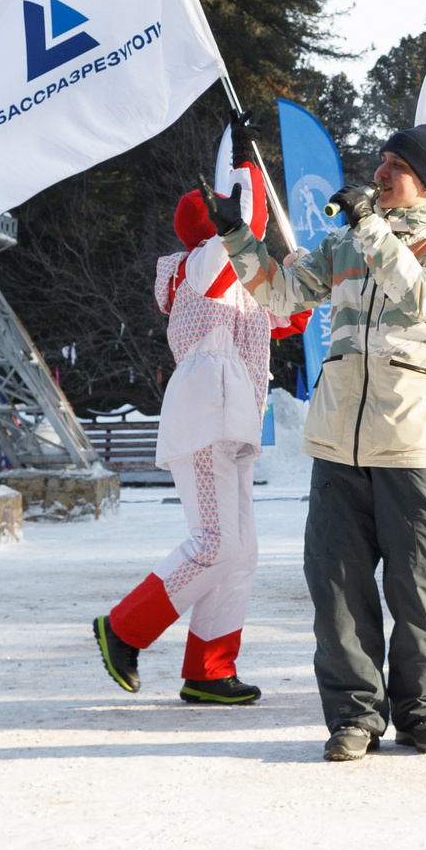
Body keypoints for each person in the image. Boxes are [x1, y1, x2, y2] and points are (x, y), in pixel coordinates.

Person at [221, 122, 426, 762]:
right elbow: (279, 292)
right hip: (338, 441)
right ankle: (352, 716)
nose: (381, 172)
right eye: (382, 160)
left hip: (412, 441)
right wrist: (235, 234)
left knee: (420, 585)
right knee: (337, 586)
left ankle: (421, 712)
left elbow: (422, 300)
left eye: (397, 165)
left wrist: (372, 229)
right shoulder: (346, 242)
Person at [91, 151, 274, 706]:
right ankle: (124, 628)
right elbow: (250, 227)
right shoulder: (200, 268)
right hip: (204, 416)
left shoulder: (232, 285)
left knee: (240, 552)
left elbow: (289, 311)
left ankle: (210, 670)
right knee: (216, 542)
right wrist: (251, 168)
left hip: (233, 419)